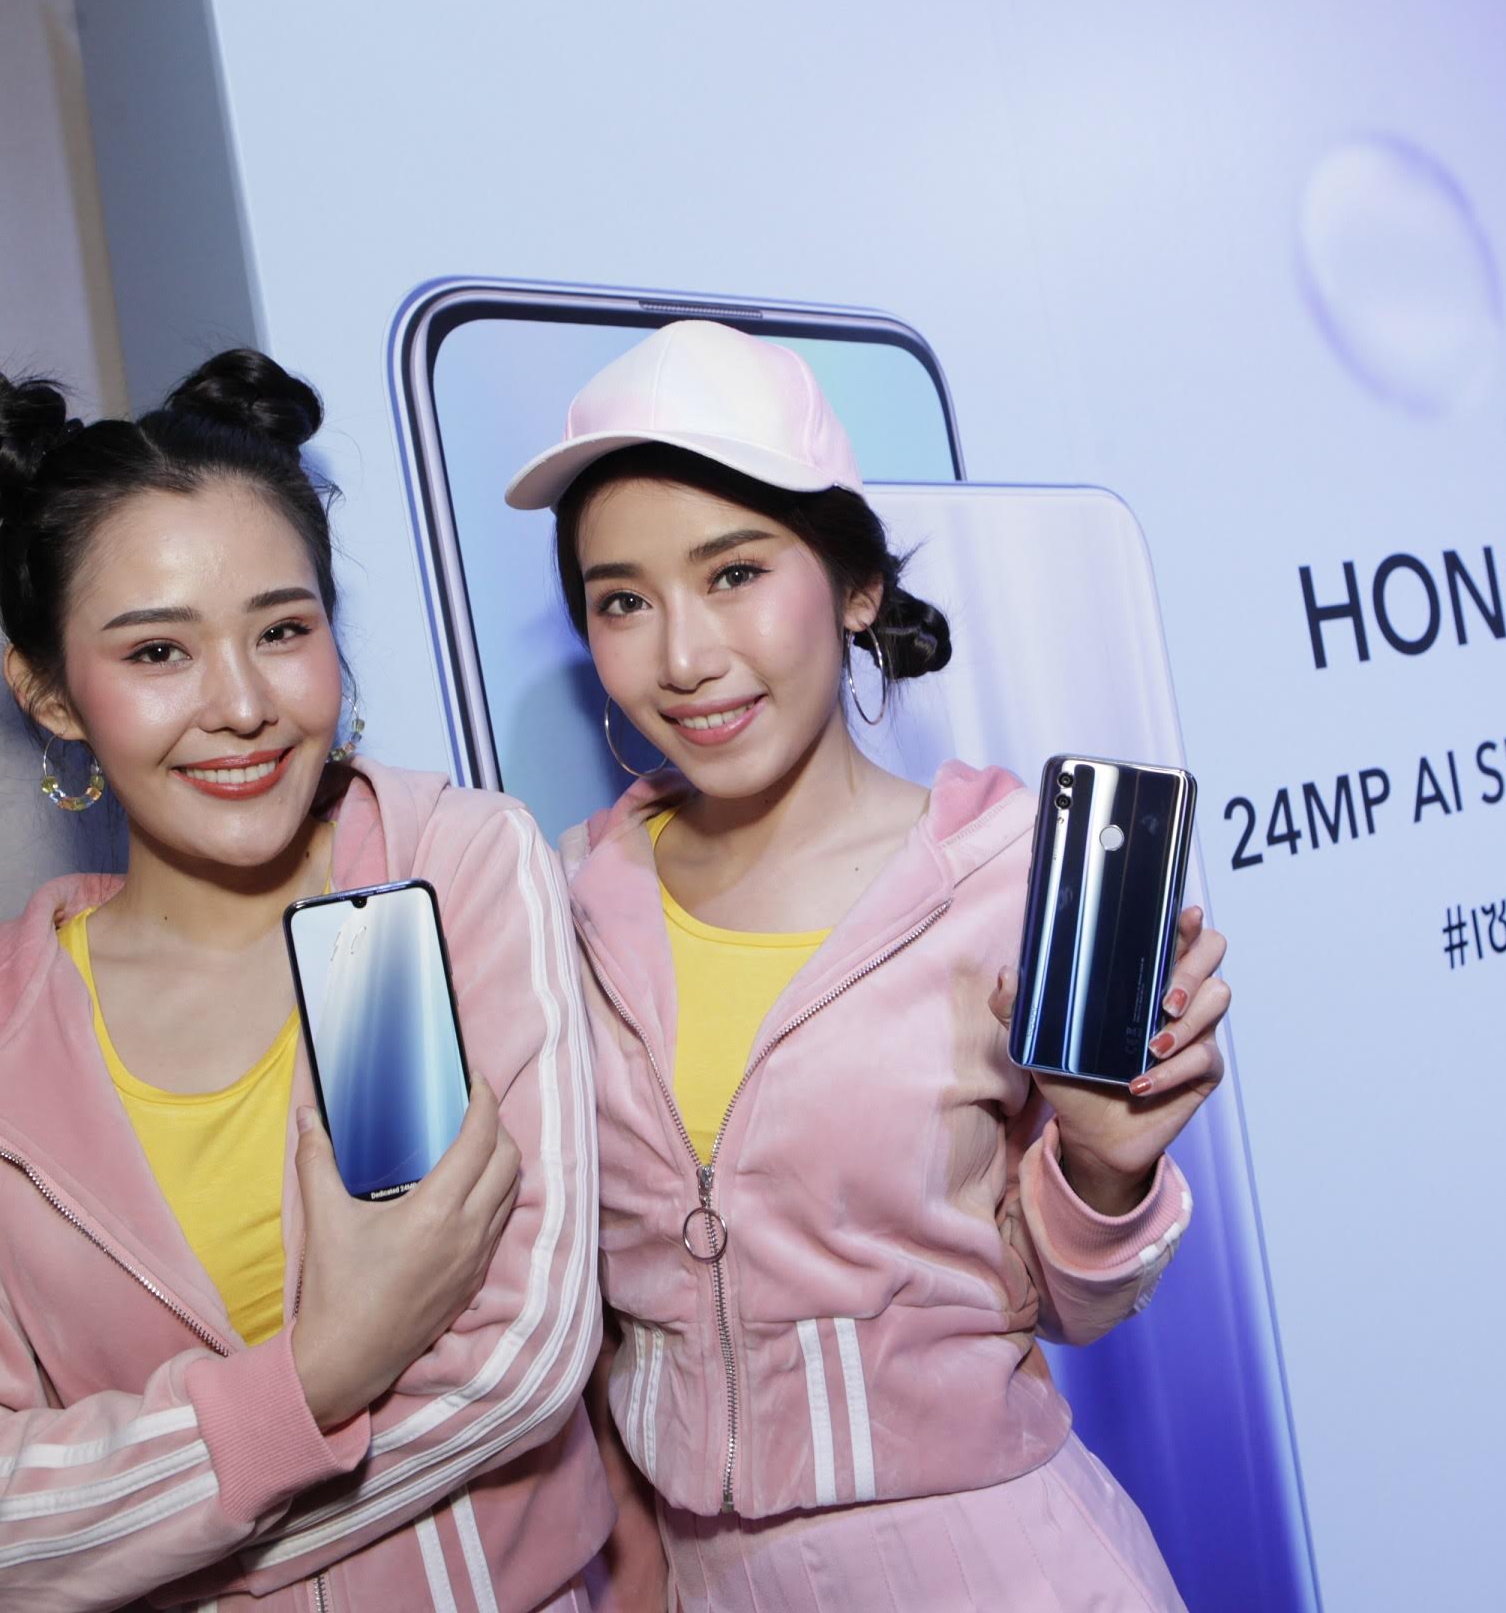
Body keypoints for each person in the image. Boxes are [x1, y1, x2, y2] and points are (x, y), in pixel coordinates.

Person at [0, 350, 609, 1611]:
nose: (242, 704)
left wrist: (140, 1550)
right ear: (49, 693)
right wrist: (316, 1378)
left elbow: (519, 1363)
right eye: (158, 652)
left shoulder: (444, 862)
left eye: (284, 630)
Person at [508, 321, 1231, 1610]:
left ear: (856, 589)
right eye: (623, 600)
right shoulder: (558, 903)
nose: (683, 656)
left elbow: (1074, 1307)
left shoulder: (1005, 877)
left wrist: (1107, 1168)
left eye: (735, 573)